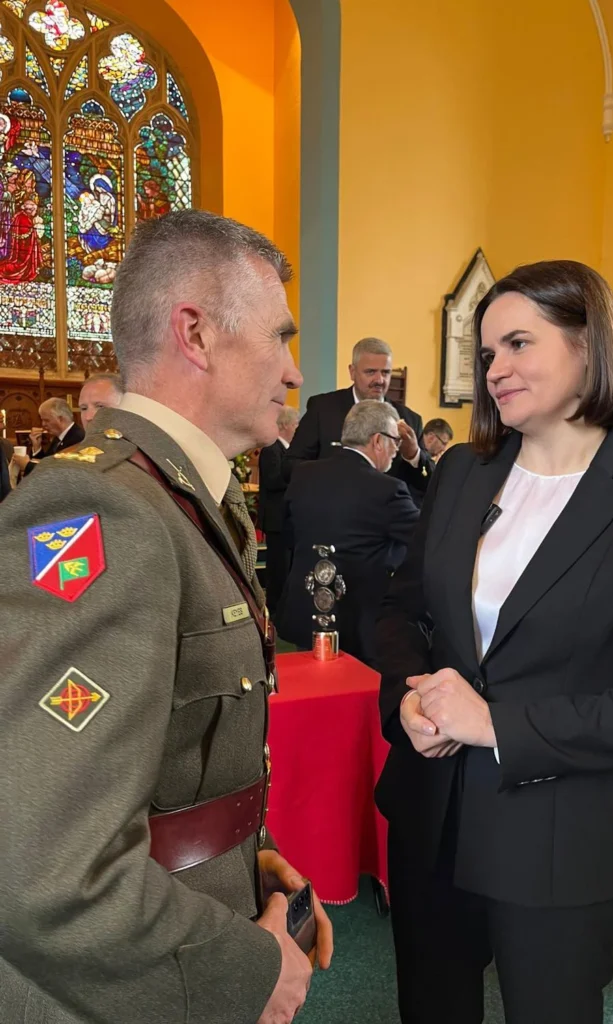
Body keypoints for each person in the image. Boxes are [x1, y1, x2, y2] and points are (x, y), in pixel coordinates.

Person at [0, 210, 332, 1024]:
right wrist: (245, 970)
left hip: (192, 900)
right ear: (196, 333)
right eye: (281, 337)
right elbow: (44, 867)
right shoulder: (106, 509)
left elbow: (164, 767)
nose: (294, 372)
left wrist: (240, 858)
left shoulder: (183, 499)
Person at [375, 259, 613, 1024]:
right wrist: (408, 698)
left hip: (556, 835)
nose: (496, 368)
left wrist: (496, 724)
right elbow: (400, 614)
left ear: (589, 345)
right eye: (488, 353)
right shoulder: (464, 471)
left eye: (519, 344)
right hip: (434, 812)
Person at [277, 400, 419, 667]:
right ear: (378, 440)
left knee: (311, 695)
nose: (395, 452)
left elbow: (289, 535)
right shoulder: (388, 489)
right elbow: (423, 541)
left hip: (303, 611)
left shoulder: (304, 474)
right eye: (394, 443)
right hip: (358, 622)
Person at [287, 336, 433, 504]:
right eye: (371, 372)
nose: (379, 380)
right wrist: (329, 477)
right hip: (333, 511)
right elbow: (290, 465)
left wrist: (414, 455)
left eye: (386, 372)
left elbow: (430, 483)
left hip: (388, 520)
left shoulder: (409, 419)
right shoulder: (323, 409)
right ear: (352, 371)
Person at [258, 405, 299, 608]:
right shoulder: (271, 449)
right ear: (285, 425)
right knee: (278, 570)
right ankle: (274, 611)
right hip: (276, 519)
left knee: (288, 568)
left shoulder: (289, 452)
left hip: (288, 520)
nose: (298, 428)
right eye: (296, 424)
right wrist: (298, 477)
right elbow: (273, 480)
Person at [13, 397, 85, 476]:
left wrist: (27, 466)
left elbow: (58, 473)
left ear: (60, 419)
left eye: (47, 420)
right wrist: (37, 447)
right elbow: (46, 463)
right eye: (42, 420)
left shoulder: (78, 438)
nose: (43, 424)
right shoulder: (59, 437)